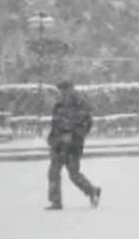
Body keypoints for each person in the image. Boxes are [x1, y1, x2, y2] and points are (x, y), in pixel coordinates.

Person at [46, 80, 102, 210]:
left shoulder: (80, 105)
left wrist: (74, 135)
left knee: (74, 174)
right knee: (53, 172)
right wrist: (52, 138)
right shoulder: (59, 106)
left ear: (71, 89)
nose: (63, 92)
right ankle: (55, 201)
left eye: (65, 89)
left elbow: (87, 124)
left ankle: (92, 191)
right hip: (58, 145)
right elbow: (55, 124)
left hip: (73, 147)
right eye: (61, 89)